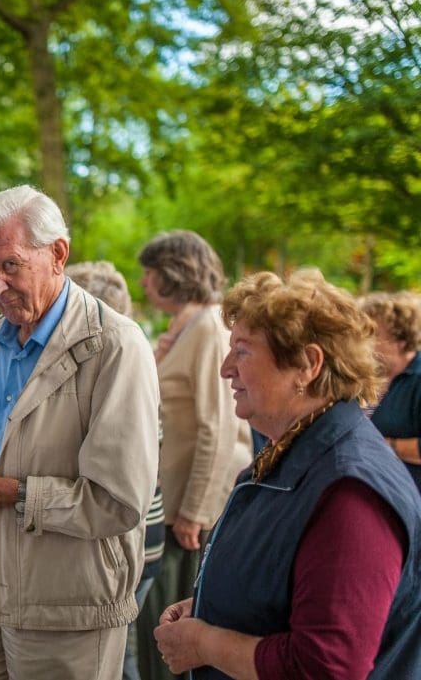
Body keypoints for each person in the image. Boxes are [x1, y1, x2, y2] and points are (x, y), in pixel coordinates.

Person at [0, 185, 159, 679]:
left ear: (58, 254)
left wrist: (4, 494)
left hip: (68, 597)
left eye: (10, 265)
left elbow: (119, 500)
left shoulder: (115, 346)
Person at [154, 269, 421, 679]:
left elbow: (327, 666)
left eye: (242, 351)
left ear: (307, 365)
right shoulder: (297, 449)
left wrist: (204, 642)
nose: (226, 368)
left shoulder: (351, 491)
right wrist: (212, 604)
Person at [136, 231, 251, 680]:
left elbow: (218, 425)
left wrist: (195, 512)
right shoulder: (185, 326)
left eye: (151, 272)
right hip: (173, 505)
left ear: (174, 272)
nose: (144, 282)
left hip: (188, 515)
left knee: (172, 631)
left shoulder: (207, 327)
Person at [66, 260, 165, 680]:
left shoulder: (115, 367)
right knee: (120, 656)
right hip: (143, 536)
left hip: (127, 544)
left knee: (112, 659)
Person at [360, 291, 421, 493]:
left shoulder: (417, 379)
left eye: (374, 335)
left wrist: (384, 445)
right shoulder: (374, 377)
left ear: (401, 339)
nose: (365, 343)